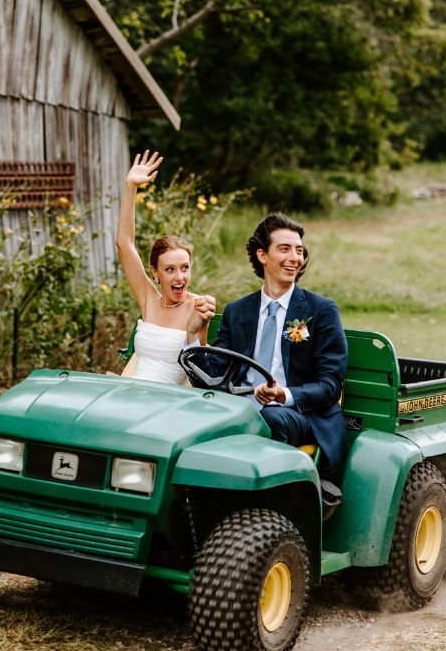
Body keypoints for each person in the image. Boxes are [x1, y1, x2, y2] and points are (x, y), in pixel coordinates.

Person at [187, 212, 347, 486]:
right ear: (262, 255)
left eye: (298, 250)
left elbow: (330, 386)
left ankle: (268, 505)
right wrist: (192, 335)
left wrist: (283, 395)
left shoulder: (320, 311)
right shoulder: (238, 311)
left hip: (300, 415)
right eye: (284, 249)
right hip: (242, 406)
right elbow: (212, 374)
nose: (294, 257)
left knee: (270, 417)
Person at [116, 150, 216, 384]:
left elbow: (202, 374)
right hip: (133, 391)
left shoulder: (198, 307)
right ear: (155, 272)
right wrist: (131, 187)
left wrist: (199, 328)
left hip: (168, 404)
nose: (179, 277)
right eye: (170, 269)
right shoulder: (148, 298)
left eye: (185, 267)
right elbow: (124, 244)